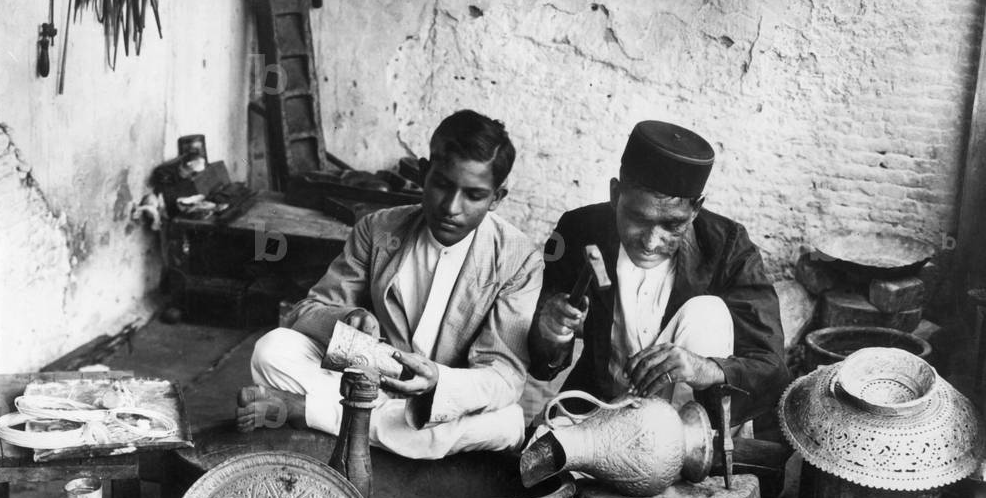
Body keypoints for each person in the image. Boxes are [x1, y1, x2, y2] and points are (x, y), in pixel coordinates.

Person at [238, 110, 542, 459]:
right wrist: (349, 317)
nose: (451, 207)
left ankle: (311, 412)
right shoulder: (378, 229)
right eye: (442, 185)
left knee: (507, 424)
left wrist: (438, 382)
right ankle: (393, 436)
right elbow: (306, 311)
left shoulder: (518, 258)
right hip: (371, 383)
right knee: (272, 349)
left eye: (474, 195)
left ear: (497, 198)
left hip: (442, 401)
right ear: (424, 173)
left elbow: (504, 375)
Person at [528, 120, 790, 427]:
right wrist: (550, 330)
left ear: (695, 210)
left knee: (707, 311)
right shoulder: (579, 230)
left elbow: (772, 368)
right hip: (599, 404)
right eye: (638, 218)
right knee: (534, 461)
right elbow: (542, 366)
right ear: (615, 195)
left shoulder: (728, 247)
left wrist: (703, 369)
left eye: (673, 225)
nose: (651, 242)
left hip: (688, 424)